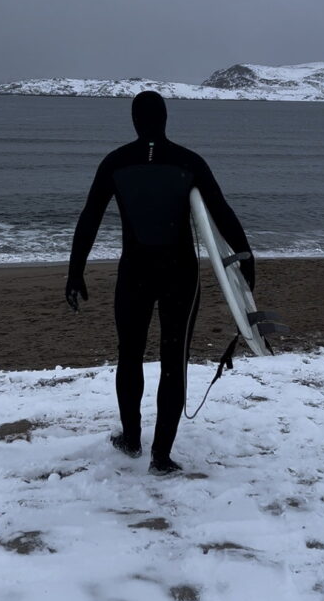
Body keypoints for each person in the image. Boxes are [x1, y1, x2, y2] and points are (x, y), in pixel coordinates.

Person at [65, 90, 254, 475]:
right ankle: (161, 456)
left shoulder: (116, 162)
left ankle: (132, 439)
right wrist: (246, 262)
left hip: (134, 272)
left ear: (134, 121)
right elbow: (222, 214)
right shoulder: (188, 161)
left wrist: (75, 270)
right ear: (166, 119)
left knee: (129, 356)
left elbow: (90, 217)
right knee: (173, 362)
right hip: (179, 275)